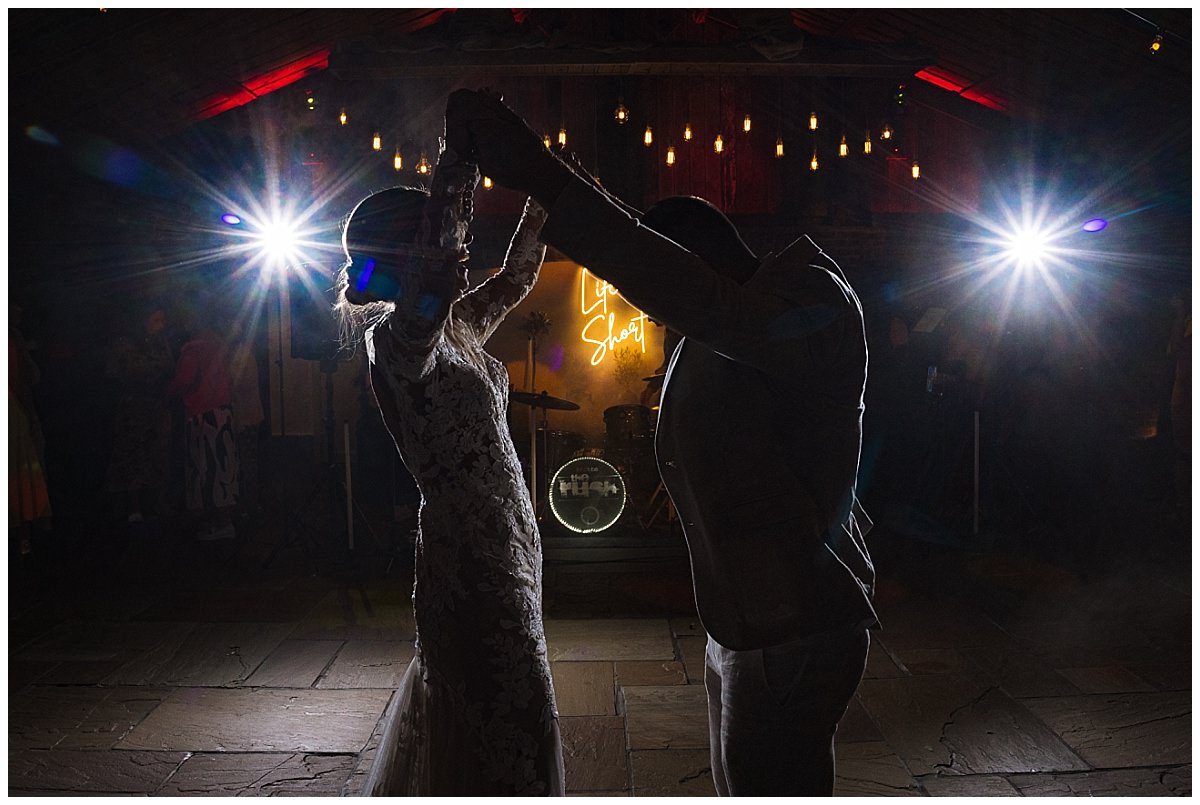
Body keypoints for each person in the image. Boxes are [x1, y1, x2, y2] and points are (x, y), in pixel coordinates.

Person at [448, 89, 876, 796]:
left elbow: (711, 305)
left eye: (663, 287)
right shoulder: (729, 314)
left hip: (797, 623)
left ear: (694, 262)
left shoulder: (810, 298)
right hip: (747, 621)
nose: (657, 314)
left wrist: (548, 179)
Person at [335, 151, 564, 795]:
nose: (462, 255)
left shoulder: (454, 327)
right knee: (502, 706)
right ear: (418, 251)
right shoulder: (401, 339)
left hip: (510, 538)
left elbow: (516, 278)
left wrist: (546, 197)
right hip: (468, 552)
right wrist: (459, 156)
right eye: (449, 241)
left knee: (514, 705)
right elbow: (438, 265)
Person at [166, 305, 239, 541]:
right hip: (223, 411)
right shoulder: (219, 344)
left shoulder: (192, 349)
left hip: (202, 414)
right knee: (223, 468)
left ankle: (214, 523)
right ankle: (225, 521)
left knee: (205, 469)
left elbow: (184, 382)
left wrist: (166, 392)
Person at [104, 303, 174, 524]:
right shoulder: (125, 344)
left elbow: (170, 369)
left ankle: (159, 502)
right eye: (156, 321)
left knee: (159, 455)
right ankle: (134, 507)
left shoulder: (162, 343)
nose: (161, 326)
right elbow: (112, 372)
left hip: (156, 407)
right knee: (133, 457)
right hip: (132, 409)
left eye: (162, 321)